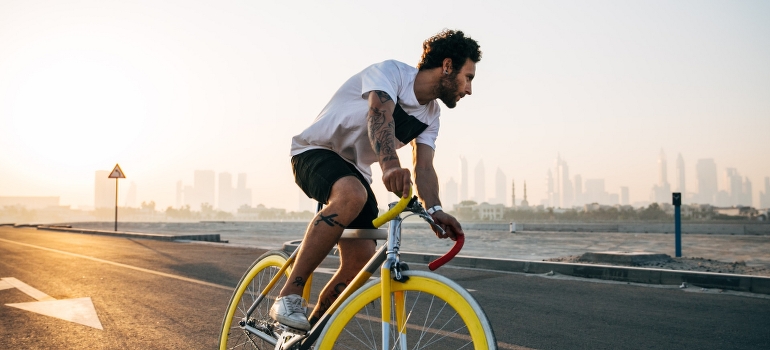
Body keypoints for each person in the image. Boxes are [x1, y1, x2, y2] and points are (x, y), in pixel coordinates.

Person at [270, 29, 482, 331]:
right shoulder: (392, 73)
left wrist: (435, 211)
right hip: (314, 151)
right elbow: (378, 115)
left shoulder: (431, 116)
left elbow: (424, 168)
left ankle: (307, 333)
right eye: (469, 77)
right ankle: (288, 297)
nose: (469, 89)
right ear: (447, 66)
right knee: (352, 195)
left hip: (355, 171)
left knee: (361, 262)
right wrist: (389, 165)